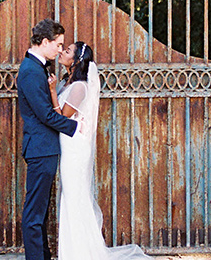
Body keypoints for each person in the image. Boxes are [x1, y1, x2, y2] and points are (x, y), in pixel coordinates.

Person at [49, 41, 149, 260]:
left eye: (66, 51)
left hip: (75, 149)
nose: (62, 53)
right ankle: (73, 250)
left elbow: (61, 117)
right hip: (68, 146)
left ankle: (79, 253)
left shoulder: (79, 87)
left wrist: (51, 92)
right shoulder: (68, 83)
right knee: (70, 196)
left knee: (74, 197)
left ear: (75, 61)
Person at [17, 19, 79, 260]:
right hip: (40, 149)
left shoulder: (38, 67)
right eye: (58, 44)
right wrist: (74, 127)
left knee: (40, 213)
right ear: (45, 42)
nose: (60, 50)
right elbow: (44, 114)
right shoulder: (31, 71)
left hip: (45, 148)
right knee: (34, 214)